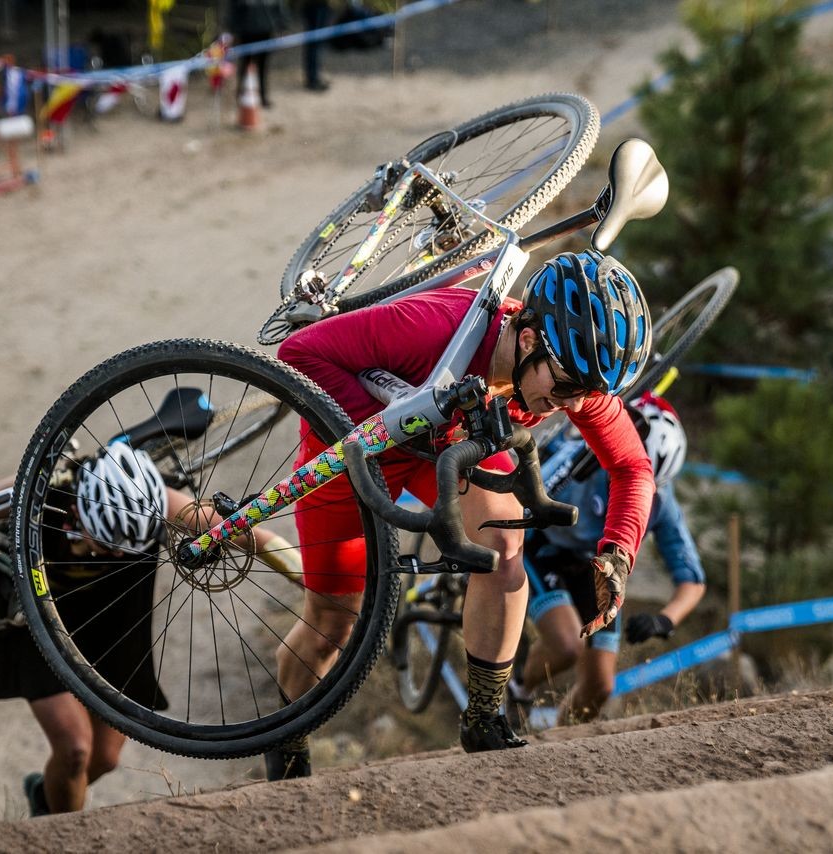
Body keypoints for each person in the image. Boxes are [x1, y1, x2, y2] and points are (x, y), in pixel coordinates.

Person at [269, 249, 656, 779]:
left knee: (503, 545)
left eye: (585, 395)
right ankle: (286, 743)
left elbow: (633, 466)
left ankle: (485, 718)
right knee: (331, 625)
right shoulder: (432, 326)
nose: (569, 405)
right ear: (527, 340)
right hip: (355, 440)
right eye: (564, 389)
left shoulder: (569, 372)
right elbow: (298, 353)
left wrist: (618, 552)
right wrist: (397, 422)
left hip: (450, 442)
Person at [0, 444, 190, 816]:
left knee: (105, 758)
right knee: (75, 750)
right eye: (106, 543)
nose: (118, 555)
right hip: (38, 623)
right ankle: (61, 833)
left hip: (112, 625)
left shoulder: (151, 500)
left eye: (127, 547)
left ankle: (44, 799)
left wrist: (314, 582)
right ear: (77, 510)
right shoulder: (48, 491)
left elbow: (243, 532)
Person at [514, 392, 706, 724]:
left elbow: (692, 579)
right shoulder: (581, 461)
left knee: (600, 686)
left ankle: (562, 747)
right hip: (544, 548)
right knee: (566, 646)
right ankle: (517, 692)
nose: (638, 493)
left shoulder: (662, 501)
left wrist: (665, 620)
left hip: (600, 568)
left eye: (649, 487)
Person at [228, 0, 288, 108]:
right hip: (247, 31)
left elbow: (279, 6)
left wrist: (281, 25)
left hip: (265, 30)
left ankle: (263, 96)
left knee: (263, 66)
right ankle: (240, 93)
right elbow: (235, 8)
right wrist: (233, 29)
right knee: (245, 64)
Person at [299, 0, 332, 92]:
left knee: (316, 44)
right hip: (316, 6)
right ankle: (313, 78)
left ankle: (315, 76)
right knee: (314, 44)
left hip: (319, 5)